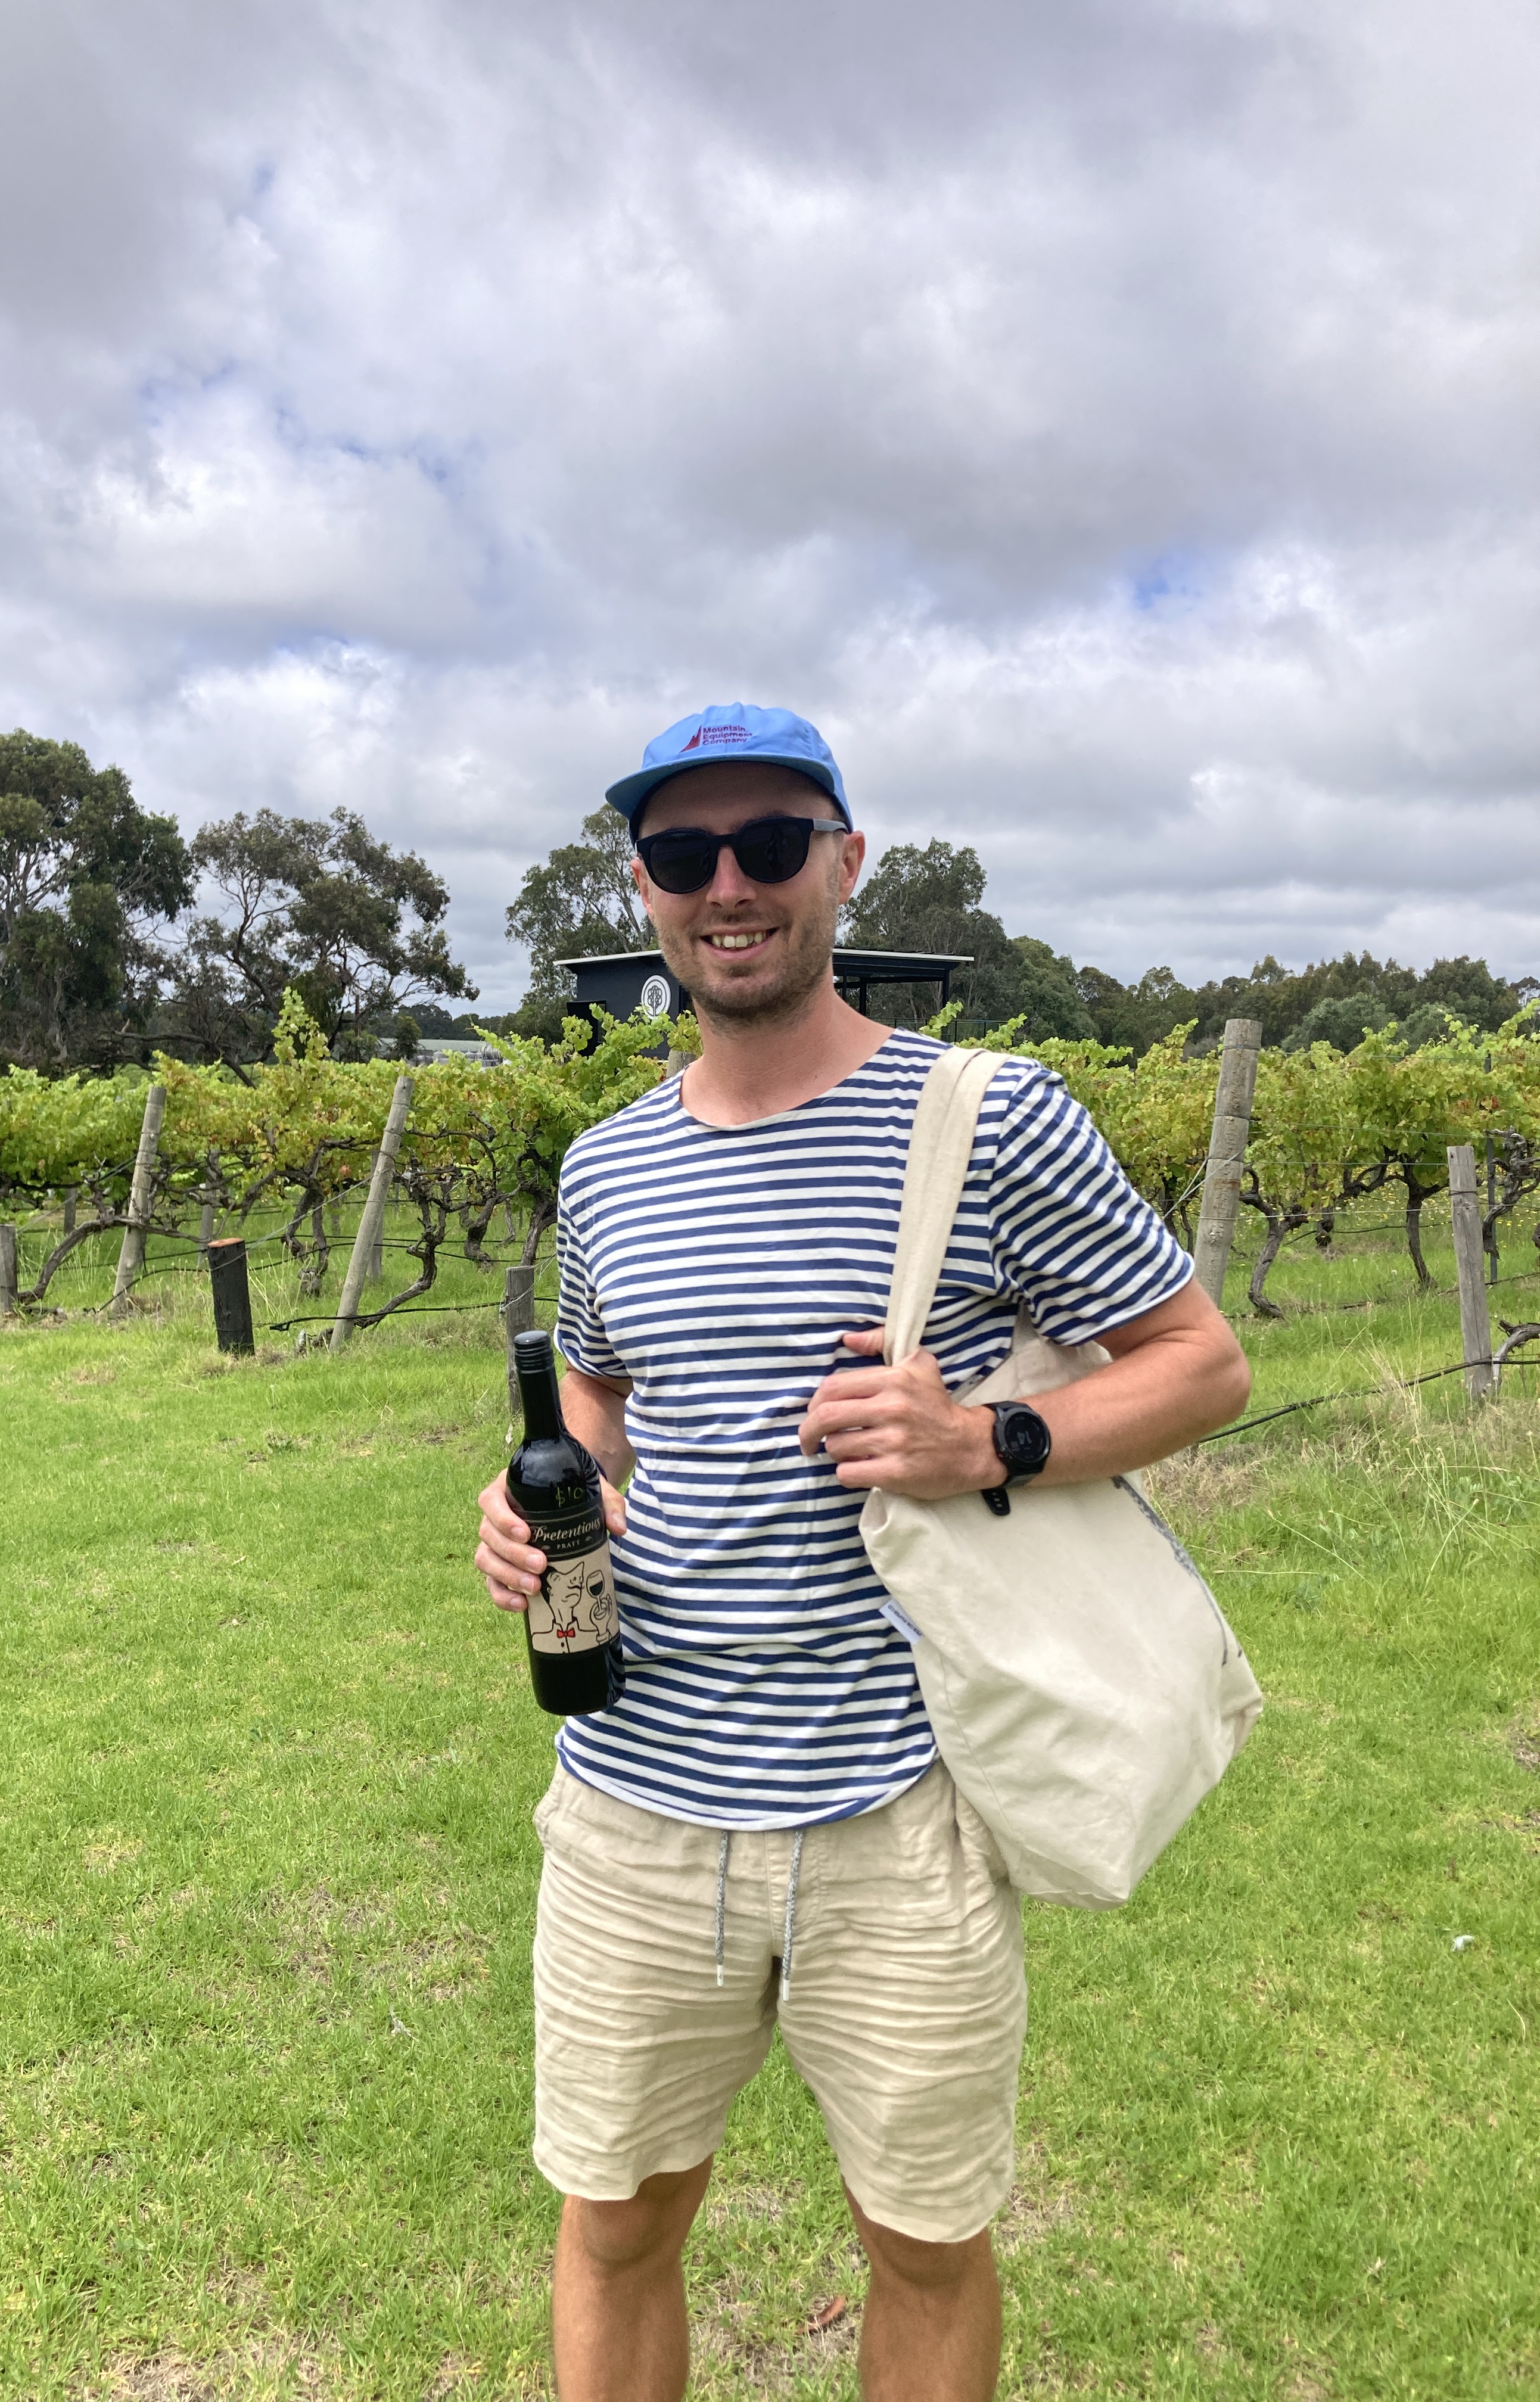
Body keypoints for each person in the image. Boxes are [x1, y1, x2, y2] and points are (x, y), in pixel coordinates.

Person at [475, 703, 1250, 2402]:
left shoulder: (993, 1120)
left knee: (924, 2245)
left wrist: (990, 1441)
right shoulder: (608, 1169)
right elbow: (600, 1397)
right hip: (633, 1803)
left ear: (845, 861)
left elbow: (1204, 1363)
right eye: (684, 854)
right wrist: (546, 1497)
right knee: (615, 2227)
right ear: (641, 885)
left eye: (769, 844)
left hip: (905, 1810)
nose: (728, 887)